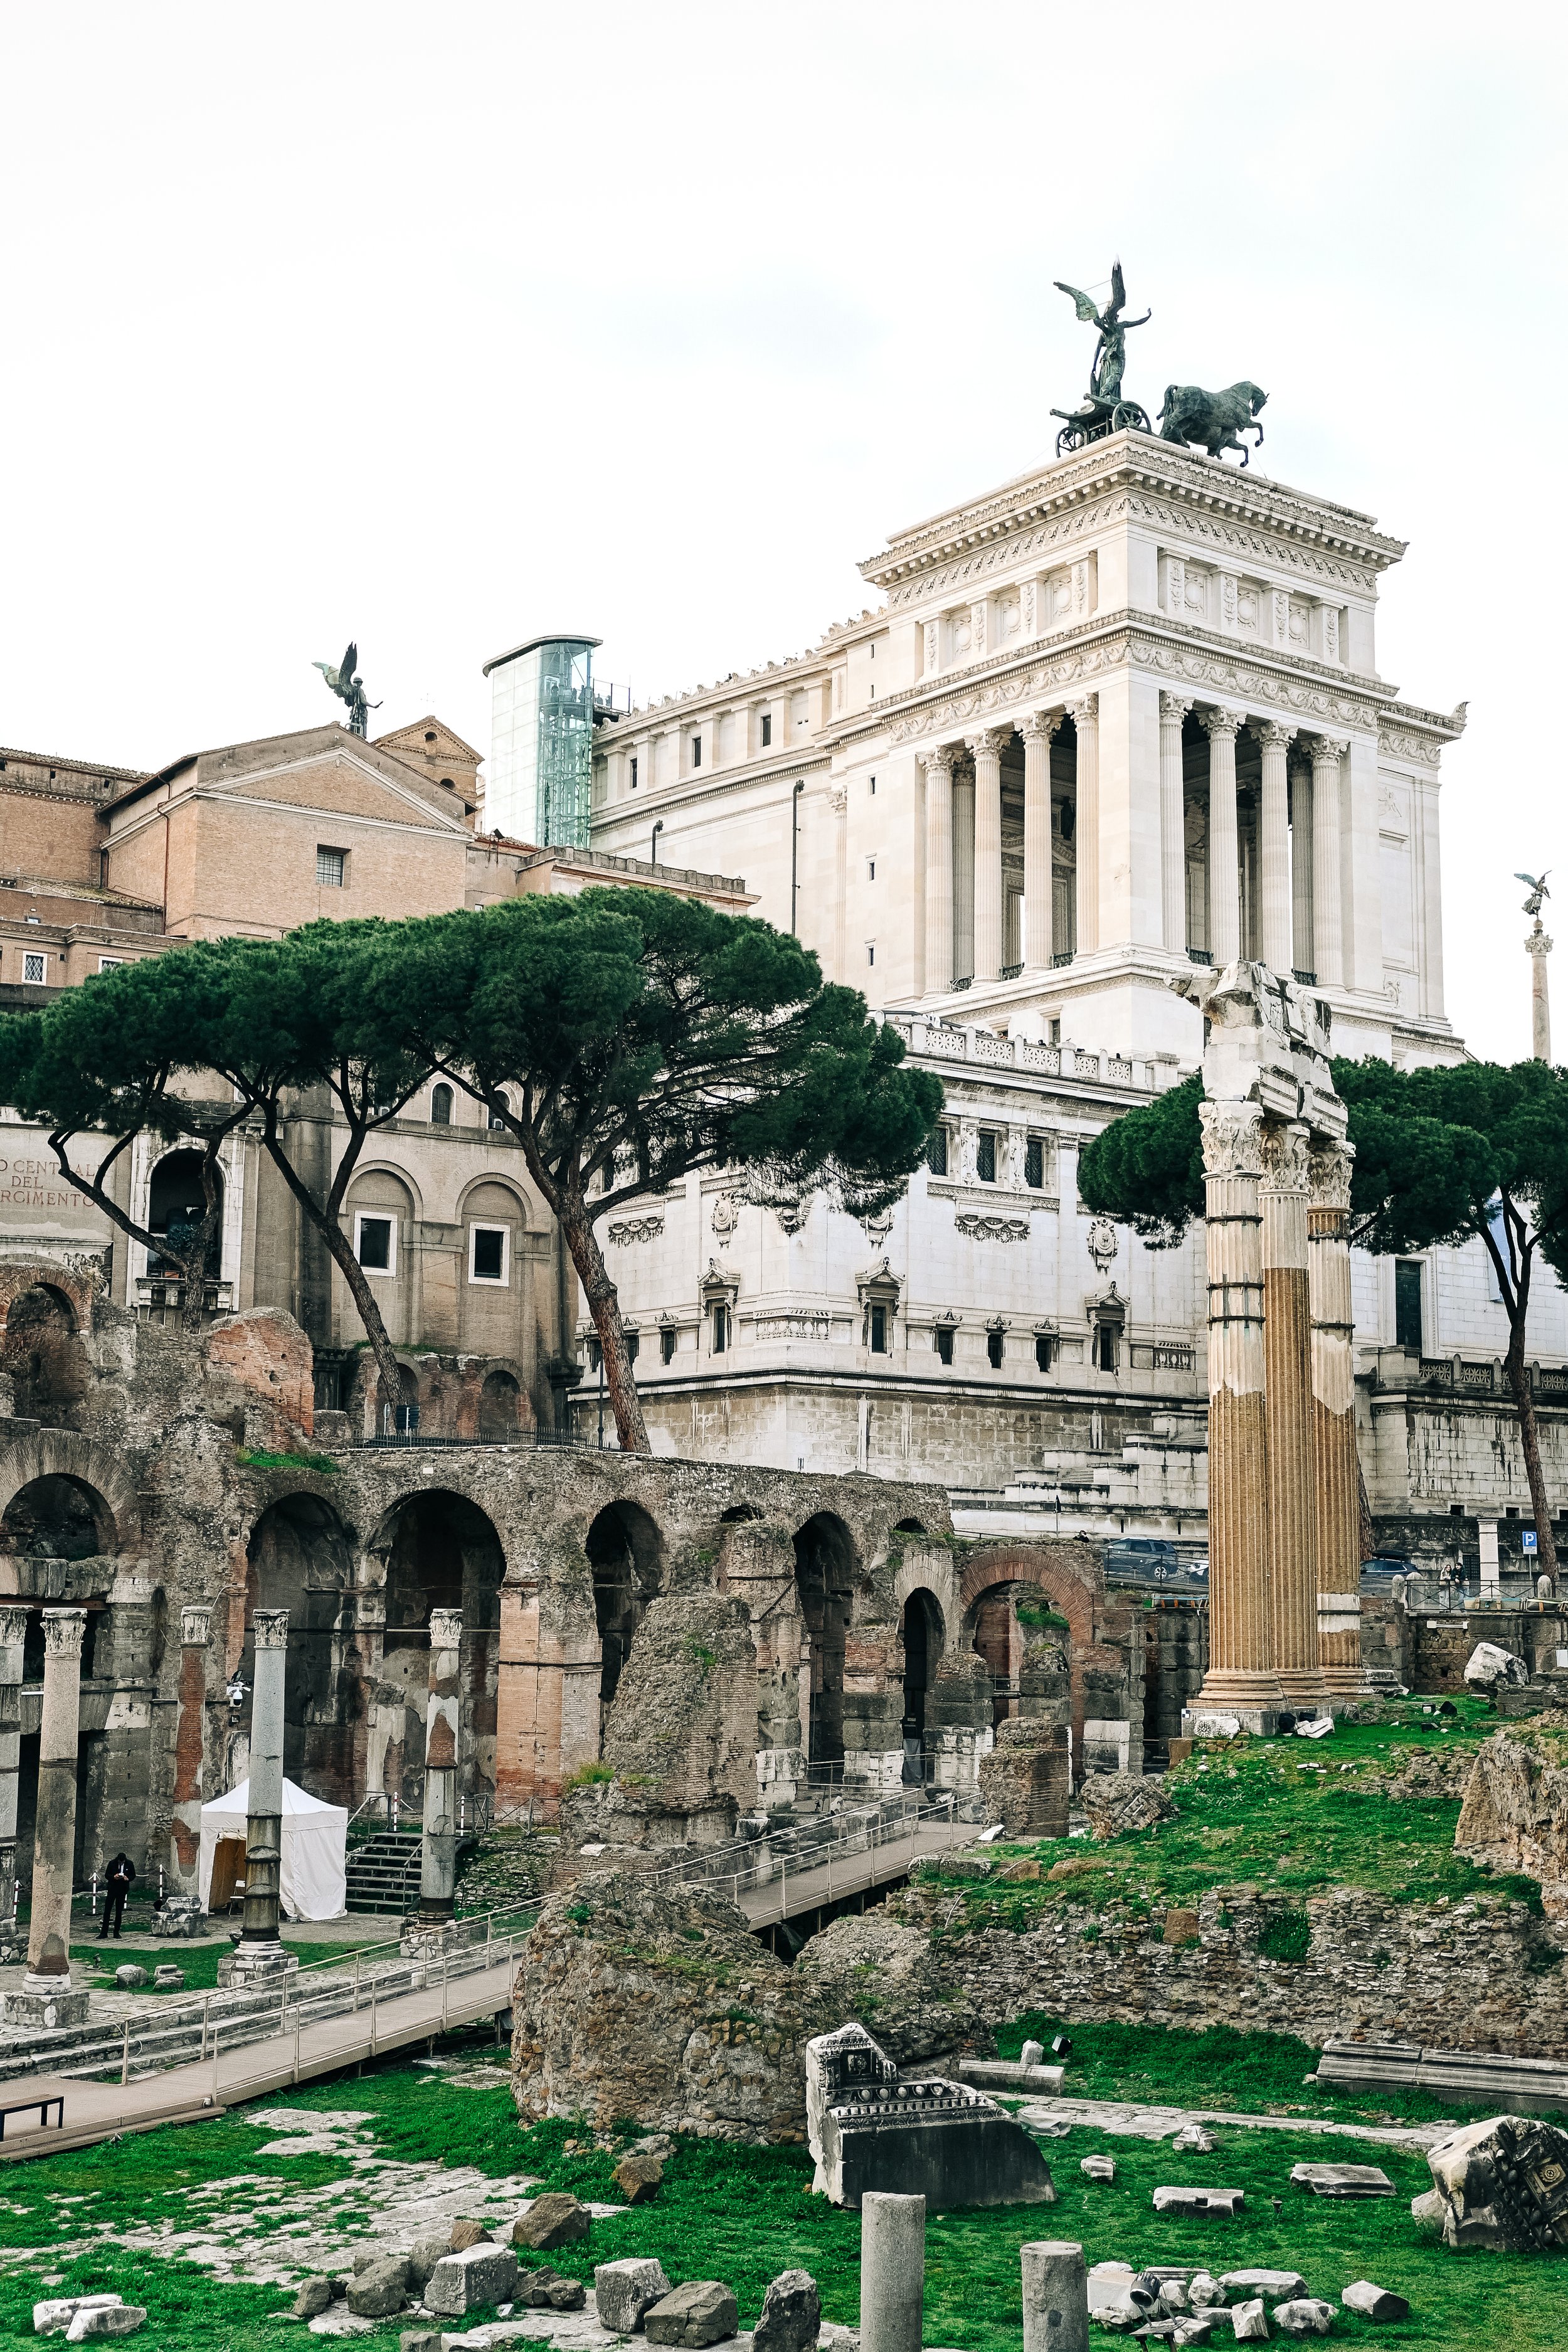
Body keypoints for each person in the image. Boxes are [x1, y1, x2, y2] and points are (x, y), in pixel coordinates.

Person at [98, 1850, 135, 1940]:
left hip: (122, 1889)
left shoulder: (129, 1864)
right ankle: (104, 1933)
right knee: (107, 1911)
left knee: (119, 1911)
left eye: (122, 1862)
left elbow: (133, 1875)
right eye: (120, 1862)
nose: (121, 1863)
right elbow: (107, 1875)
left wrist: (128, 1878)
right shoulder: (112, 1863)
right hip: (112, 1889)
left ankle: (116, 1932)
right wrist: (114, 1877)